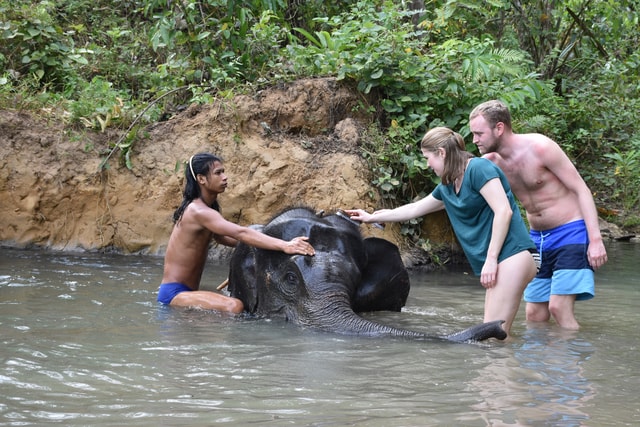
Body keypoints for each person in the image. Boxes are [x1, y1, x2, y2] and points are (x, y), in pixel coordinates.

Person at [346, 127, 537, 337]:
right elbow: (414, 209)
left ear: (442, 153)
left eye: (428, 157)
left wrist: (491, 259)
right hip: (501, 260)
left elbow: (504, 211)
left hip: (513, 255)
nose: (427, 164)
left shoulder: (478, 169)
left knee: (494, 337)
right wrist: (372, 217)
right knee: (495, 337)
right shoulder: (448, 185)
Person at [469, 100, 608, 330]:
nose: (475, 140)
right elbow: (459, 189)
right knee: (534, 314)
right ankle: (540, 365)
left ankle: (573, 363)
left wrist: (595, 239)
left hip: (571, 230)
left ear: (499, 128)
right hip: (537, 239)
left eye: (479, 133)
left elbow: (580, 189)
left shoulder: (540, 148)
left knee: (558, 307)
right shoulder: (490, 164)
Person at [158, 153, 315, 313]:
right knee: (234, 306)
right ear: (201, 179)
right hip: (174, 294)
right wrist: (285, 245)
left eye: (223, 172)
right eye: (218, 173)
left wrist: (268, 247)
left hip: (186, 292)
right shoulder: (198, 211)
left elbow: (224, 238)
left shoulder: (205, 210)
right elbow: (240, 233)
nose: (225, 177)